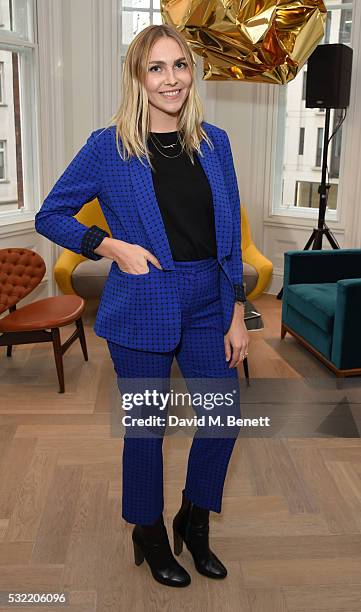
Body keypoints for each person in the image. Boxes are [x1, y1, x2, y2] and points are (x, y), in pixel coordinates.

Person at [35, 23, 250, 588]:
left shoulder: (215, 142)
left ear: (191, 72)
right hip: (143, 306)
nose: (171, 78)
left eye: (179, 65)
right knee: (147, 430)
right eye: (156, 67)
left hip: (209, 300)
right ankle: (149, 532)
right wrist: (108, 246)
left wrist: (235, 312)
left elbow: (227, 236)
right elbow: (50, 214)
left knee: (222, 421)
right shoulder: (107, 147)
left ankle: (194, 519)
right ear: (137, 76)